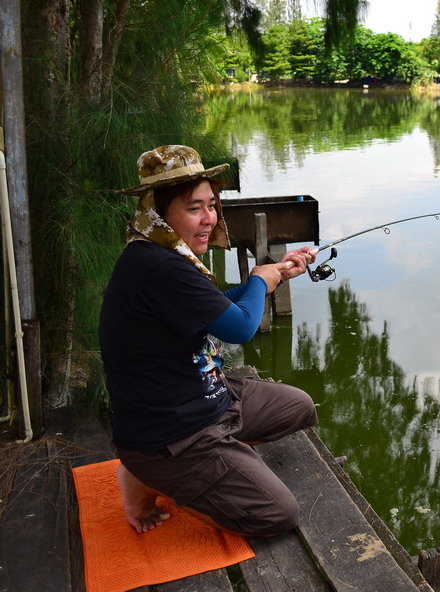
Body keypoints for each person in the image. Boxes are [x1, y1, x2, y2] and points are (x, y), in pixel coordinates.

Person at [99, 145, 319, 536]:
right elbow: (239, 329)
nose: (209, 218)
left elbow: (218, 310)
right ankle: (149, 477)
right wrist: (258, 280)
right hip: (171, 434)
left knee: (298, 406)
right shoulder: (158, 266)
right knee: (277, 515)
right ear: (158, 213)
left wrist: (274, 278)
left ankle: (220, 463)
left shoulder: (163, 254)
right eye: (194, 208)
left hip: (208, 398)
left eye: (212, 205)